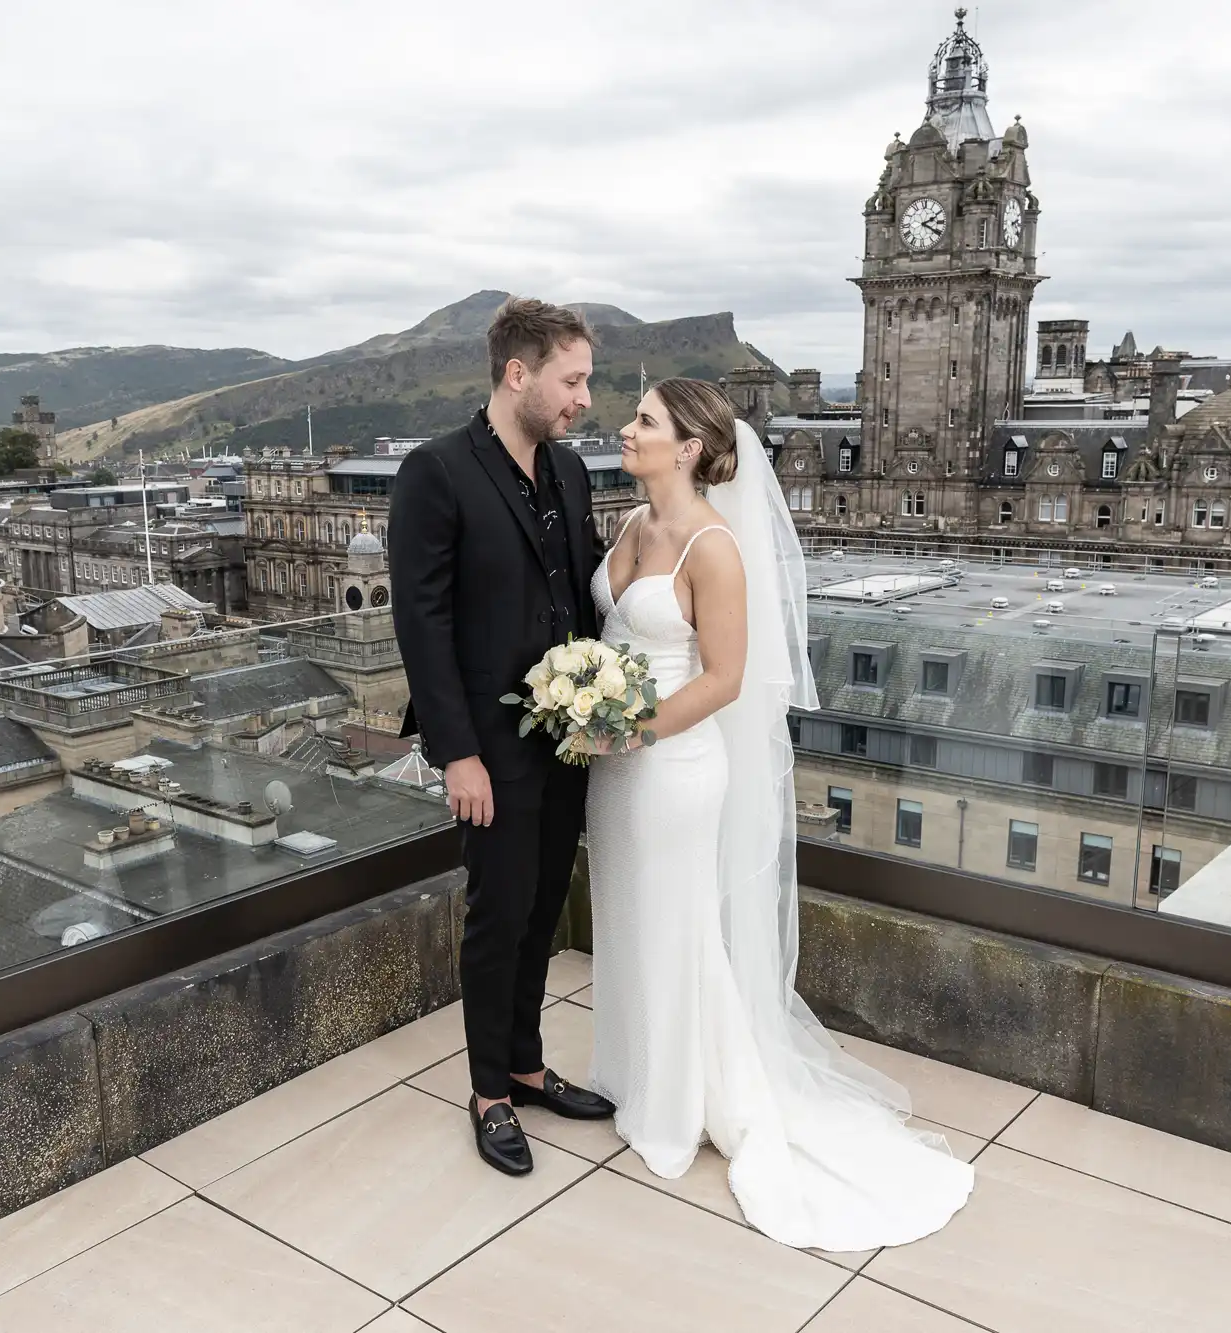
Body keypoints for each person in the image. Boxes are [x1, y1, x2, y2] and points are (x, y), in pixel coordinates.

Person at [580, 378, 975, 1251]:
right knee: (630, 915)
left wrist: (629, 730)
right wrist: (586, 707)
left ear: (687, 447)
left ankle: (678, 1105)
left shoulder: (714, 547)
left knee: (680, 923)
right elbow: (613, 639)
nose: (626, 428)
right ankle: (636, 1073)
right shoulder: (629, 527)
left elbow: (724, 676)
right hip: (613, 769)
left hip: (673, 764)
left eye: (643, 420)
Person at [388, 297, 618, 1177]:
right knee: (495, 919)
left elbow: (581, 594)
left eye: (586, 380)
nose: (583, 398)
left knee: (541, 911)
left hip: (567, 741)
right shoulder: (434, 472)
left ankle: (527, 1063)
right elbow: (422, 620)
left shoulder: (569, 472)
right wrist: (457, 753)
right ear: (518, 374)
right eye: (572, 379)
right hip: (488, 748)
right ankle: (488, 1092)